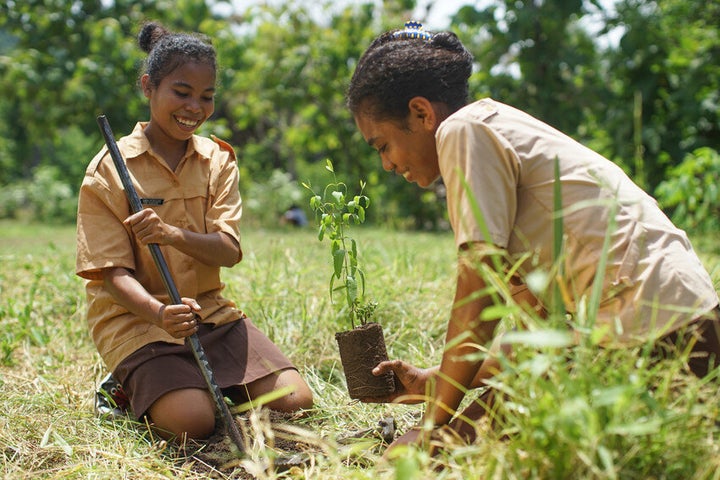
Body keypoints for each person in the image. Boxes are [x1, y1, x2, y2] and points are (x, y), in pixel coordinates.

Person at [345, 21, 720, 453]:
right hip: (673, 330)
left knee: (428, 457)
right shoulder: (487, 145)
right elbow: (547, 338)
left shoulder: (463, 131)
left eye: (382, 146)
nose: (387, 165)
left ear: (422, 113)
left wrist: (433, 426)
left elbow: (478, 295)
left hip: (659, 336)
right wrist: (436, 382)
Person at [76, 22, 313, 443]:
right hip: (140, 322)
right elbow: (112, 275)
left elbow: (228, 251)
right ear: (149, 87)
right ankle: (124, 389)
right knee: (192, 423)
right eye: (181, 93)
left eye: (207, 97)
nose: (194, 108)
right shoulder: (108, 171)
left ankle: (200, 385)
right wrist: (160, 314)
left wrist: (170, 234)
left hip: (210, 315)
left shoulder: (218, 161)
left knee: (294, 402)